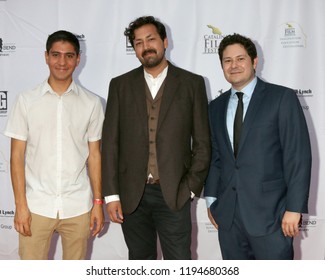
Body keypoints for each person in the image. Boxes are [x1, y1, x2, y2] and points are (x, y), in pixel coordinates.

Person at [101, 16, 211, 260]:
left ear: (164, 41)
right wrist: (111, 195)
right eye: (138, 43)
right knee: (140, 262)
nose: (145, 46)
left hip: (174, 193)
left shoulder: (192, 83)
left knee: (179, 261)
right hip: (132, 196)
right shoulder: (120, 85)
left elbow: (203, 143)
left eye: (150, 39)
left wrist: (190, 189)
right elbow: (110, 144)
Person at [204, 33, 312, 260]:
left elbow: (297, 156)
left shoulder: (282, 98)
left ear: (254, 62)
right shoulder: (215, 107)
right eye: (227, 60)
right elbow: (216, 157)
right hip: (229, 217)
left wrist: (294, 208)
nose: (234, 65)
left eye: (240, 59)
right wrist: (212, 199)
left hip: (272, 216)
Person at [4, 30, 104, 260]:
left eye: (69, 56)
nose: (62, 62)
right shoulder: (26, 100)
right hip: (36, 206)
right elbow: (16, 156)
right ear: (46, 56)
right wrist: (20, 205)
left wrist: (98, 202)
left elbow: (95, 156)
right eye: (56, 55)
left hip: (78, 205)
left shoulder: (92, 103)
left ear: (78, 59)